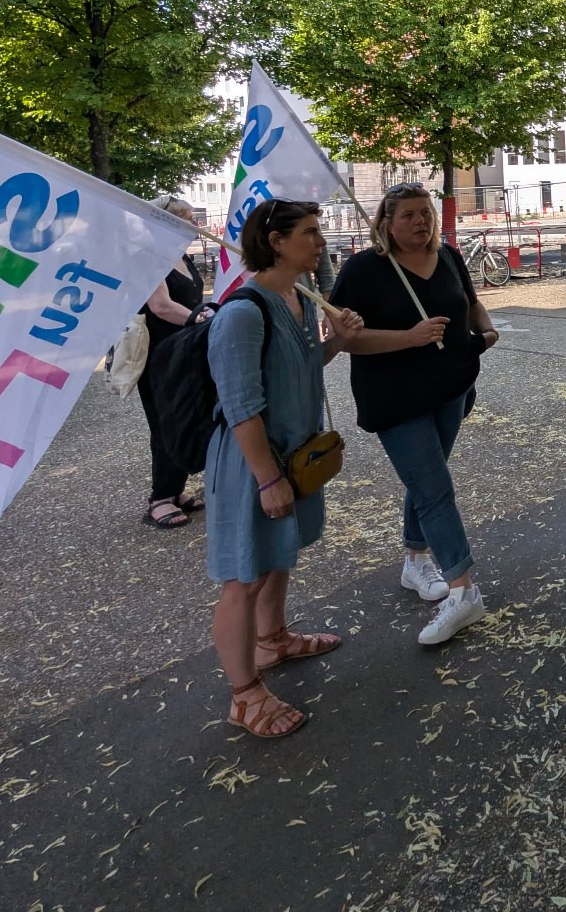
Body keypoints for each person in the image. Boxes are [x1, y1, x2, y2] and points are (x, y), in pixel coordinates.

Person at [206, 198, 364, 739]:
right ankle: (244, 696)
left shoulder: (296, 297)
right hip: (252, 465)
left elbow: (302, 365)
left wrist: (337, 341)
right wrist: (268, 478)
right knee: (243, 578)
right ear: (276, 241)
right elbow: (240, 406)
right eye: (310, 233)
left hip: (292, 457)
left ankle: (272, 640)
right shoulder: (242, 313)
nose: (321, 242)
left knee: (278, 557)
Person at [330, 181, 499, 646]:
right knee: (434, 489)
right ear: (386, 222)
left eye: (425, 212)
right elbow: (345, 340)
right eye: (408, 215)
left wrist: (487, 333)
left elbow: (471, 303)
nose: (421, 221)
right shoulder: (363, 270)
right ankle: (463, 590)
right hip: (395, 396)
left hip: (452, 388)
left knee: (428, 479)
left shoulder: (449, 257)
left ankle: (415, 559)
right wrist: (411, 337)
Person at [137, 197, 213, 529]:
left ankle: (176, 489)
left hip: (183, 350)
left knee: (184, 417)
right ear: (167, 222)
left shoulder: (180, 255)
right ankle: (160, 498)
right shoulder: (150, 256)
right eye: (187, 219)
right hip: (160, 353)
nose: (194, 226)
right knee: (164, 421)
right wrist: (199, 318)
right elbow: (161, 306)